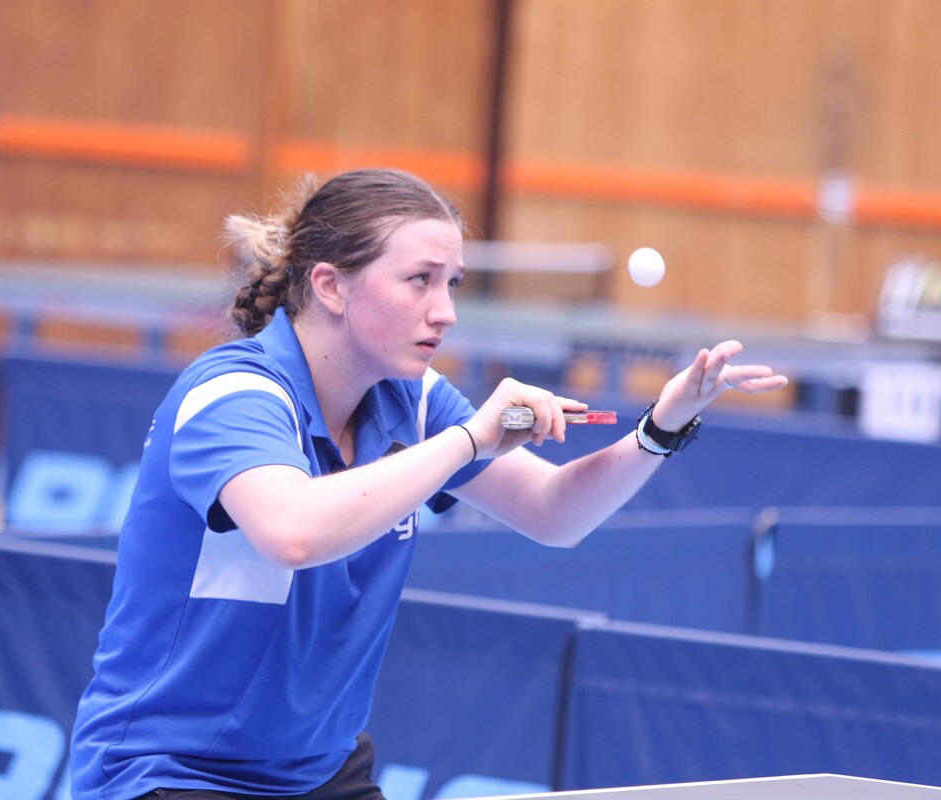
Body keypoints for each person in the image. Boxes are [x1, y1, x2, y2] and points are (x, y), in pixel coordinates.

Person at [69, 168, 788, 800]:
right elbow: (293, 532)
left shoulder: (411, 401)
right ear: (331, 286)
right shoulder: (234, 395)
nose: (445, 311)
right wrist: (469, 439)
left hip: (317, 771)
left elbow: (555, 513)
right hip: (172, 770)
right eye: (420, 280)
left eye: (452, 284)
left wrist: (661, 426)